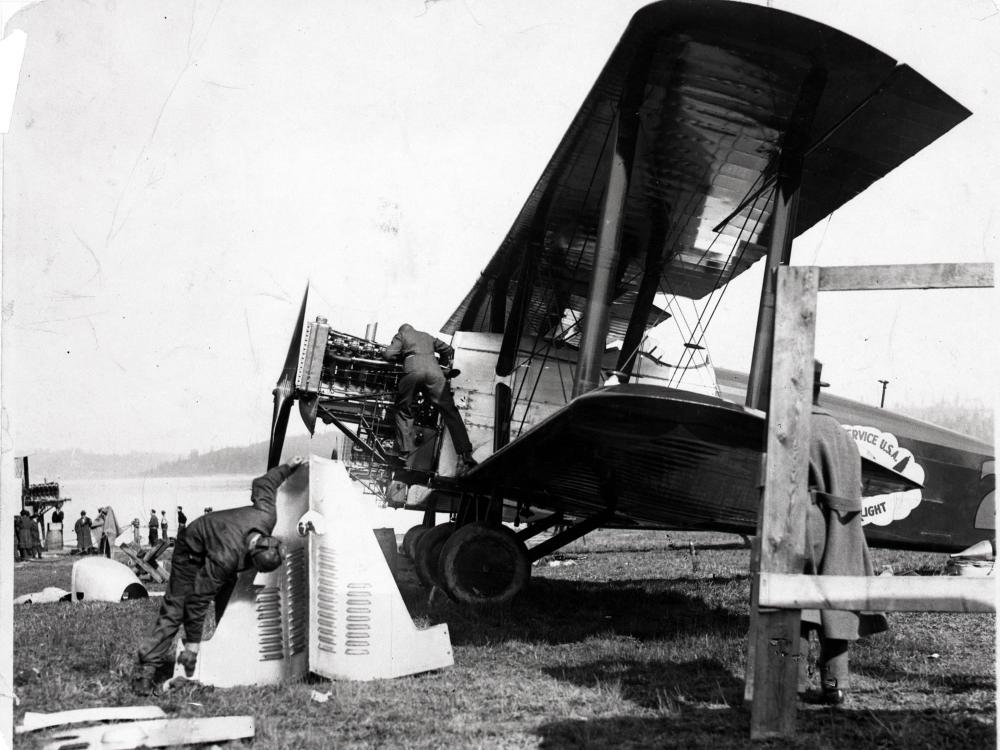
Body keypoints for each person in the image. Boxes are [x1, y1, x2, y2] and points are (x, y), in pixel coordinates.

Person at [131, 457, 306, 695]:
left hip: (218, 542)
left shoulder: (266, 515)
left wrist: (288, 466)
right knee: (177, 608)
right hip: (191, 550)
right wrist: (192, 644)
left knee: (230, 605)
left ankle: (227, 661)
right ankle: (145, 669)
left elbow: (263, 483)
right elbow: (197, 600)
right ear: (252, 555)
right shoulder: (226, 558)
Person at [799, 361, 888, 705]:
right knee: (837, 611)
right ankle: (837, 684)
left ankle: (790, 682)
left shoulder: (793, 428)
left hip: (811, 528)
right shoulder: (840, 431)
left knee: (794, 611)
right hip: (846, 531)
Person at [381, 323, 476, 472]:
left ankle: (405, 452)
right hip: (435, 374)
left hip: (413, 372)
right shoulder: (426, 336)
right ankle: (466, 453)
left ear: (401, 331)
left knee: (403, 410)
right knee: (449, 410)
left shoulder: (402, 335)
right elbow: (448, 350)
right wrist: (441, 364)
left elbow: (388, 354)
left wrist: (403, 356)